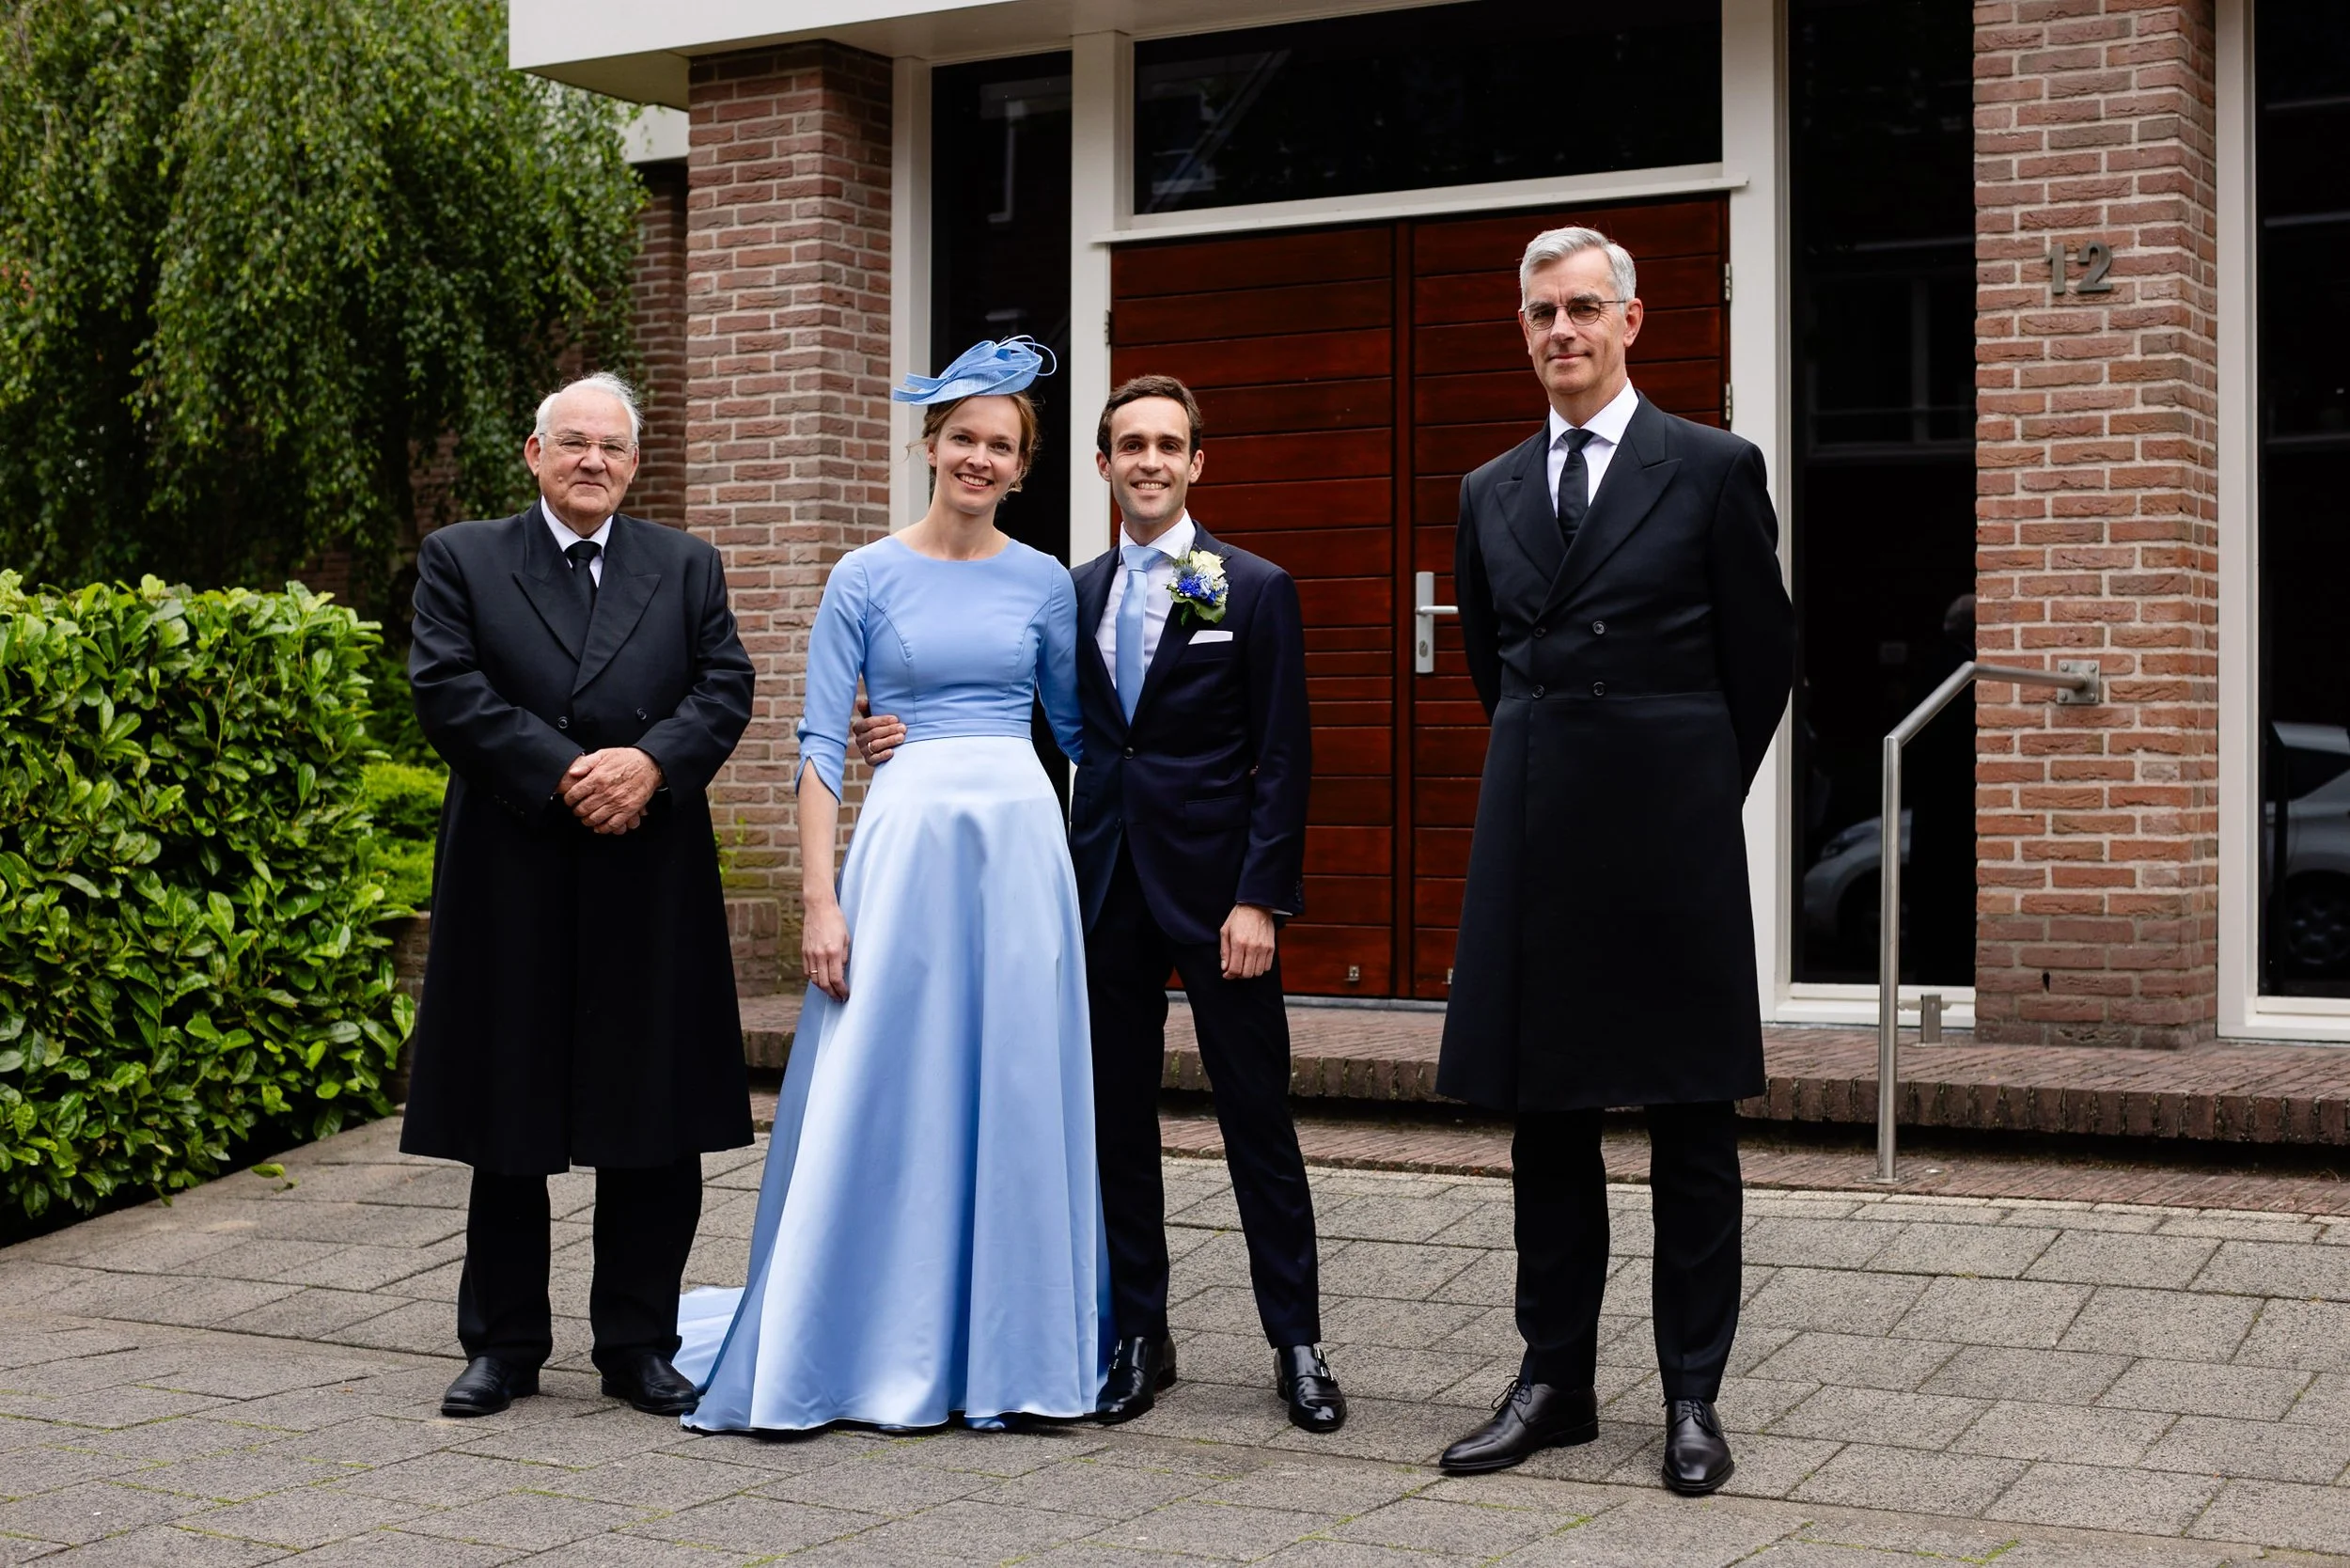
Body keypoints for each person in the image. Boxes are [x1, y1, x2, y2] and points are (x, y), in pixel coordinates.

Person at [858, 374, 1345, 1434]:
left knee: (1257, 1119)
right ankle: (1138, 1335)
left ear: (1196, 463)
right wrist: (903, 730)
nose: (1149, 462)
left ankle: (1297, 1343)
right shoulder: (1065, 595)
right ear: (1102, 465)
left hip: (1221, 902)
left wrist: (1261, 899)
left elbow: (1283, 759)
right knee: (1115, 1122)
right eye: (1131, 445)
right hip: (1099, 891)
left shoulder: (1250, 587)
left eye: (1168, 445)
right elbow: (1024, 724)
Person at [672, 338, 1107, 1434]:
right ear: (928, 444)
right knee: (886, 1087)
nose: (978, 458)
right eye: (962, 437)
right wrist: (820, 901)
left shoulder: (1044, 582)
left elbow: (1079, 734)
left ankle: (1010, 1352)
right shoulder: (861, 576)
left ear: (1022, 468)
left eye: (999, 446)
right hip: (904, 850)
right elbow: (821, 744)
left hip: (1019, 852)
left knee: (1013, 1085)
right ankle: (861, 1338)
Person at [1434, 227, 1794, 1494]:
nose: (1563, 331)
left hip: (1671, 832)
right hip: (1540, 828)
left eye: (1585, 307)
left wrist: (1687, 786)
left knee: (1690, 1122)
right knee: (1549, 1126)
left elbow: (1762, 660)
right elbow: (1490, 666)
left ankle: (1693, 1396)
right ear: (1524, 329)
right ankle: (1556, 1385)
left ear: (1630, 321)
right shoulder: (1487, 489)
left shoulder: (1710, 467)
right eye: (1543, 312)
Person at [401, 371, 756, 1420]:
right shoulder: (462, 557)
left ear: (634, 463)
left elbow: (724, 685)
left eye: (611, 446)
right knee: (507, 1116)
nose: (592, 460)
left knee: (652, 1117)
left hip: (649, 870)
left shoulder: (686, 565)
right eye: (572, 443)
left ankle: (638, 1344)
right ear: (534, 453)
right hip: (513, 867)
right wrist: (565, 773)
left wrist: (650, 765)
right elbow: (446, 687)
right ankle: (504, 1346)